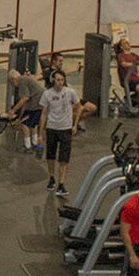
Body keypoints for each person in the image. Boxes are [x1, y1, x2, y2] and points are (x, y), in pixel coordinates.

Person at [39, 68, 94, 197]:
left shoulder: (70, 92)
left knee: (64, 157)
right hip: (52, 127)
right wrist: (41, 131)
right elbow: (44, 113)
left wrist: (75, 124)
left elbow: (79, 106)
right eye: (58, 80)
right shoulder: (47, 94)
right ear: (53, 80)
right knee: (51, 155)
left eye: (62, 80)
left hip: (65, 129)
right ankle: (51, 177)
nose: (60, 82)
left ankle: (61, 183)